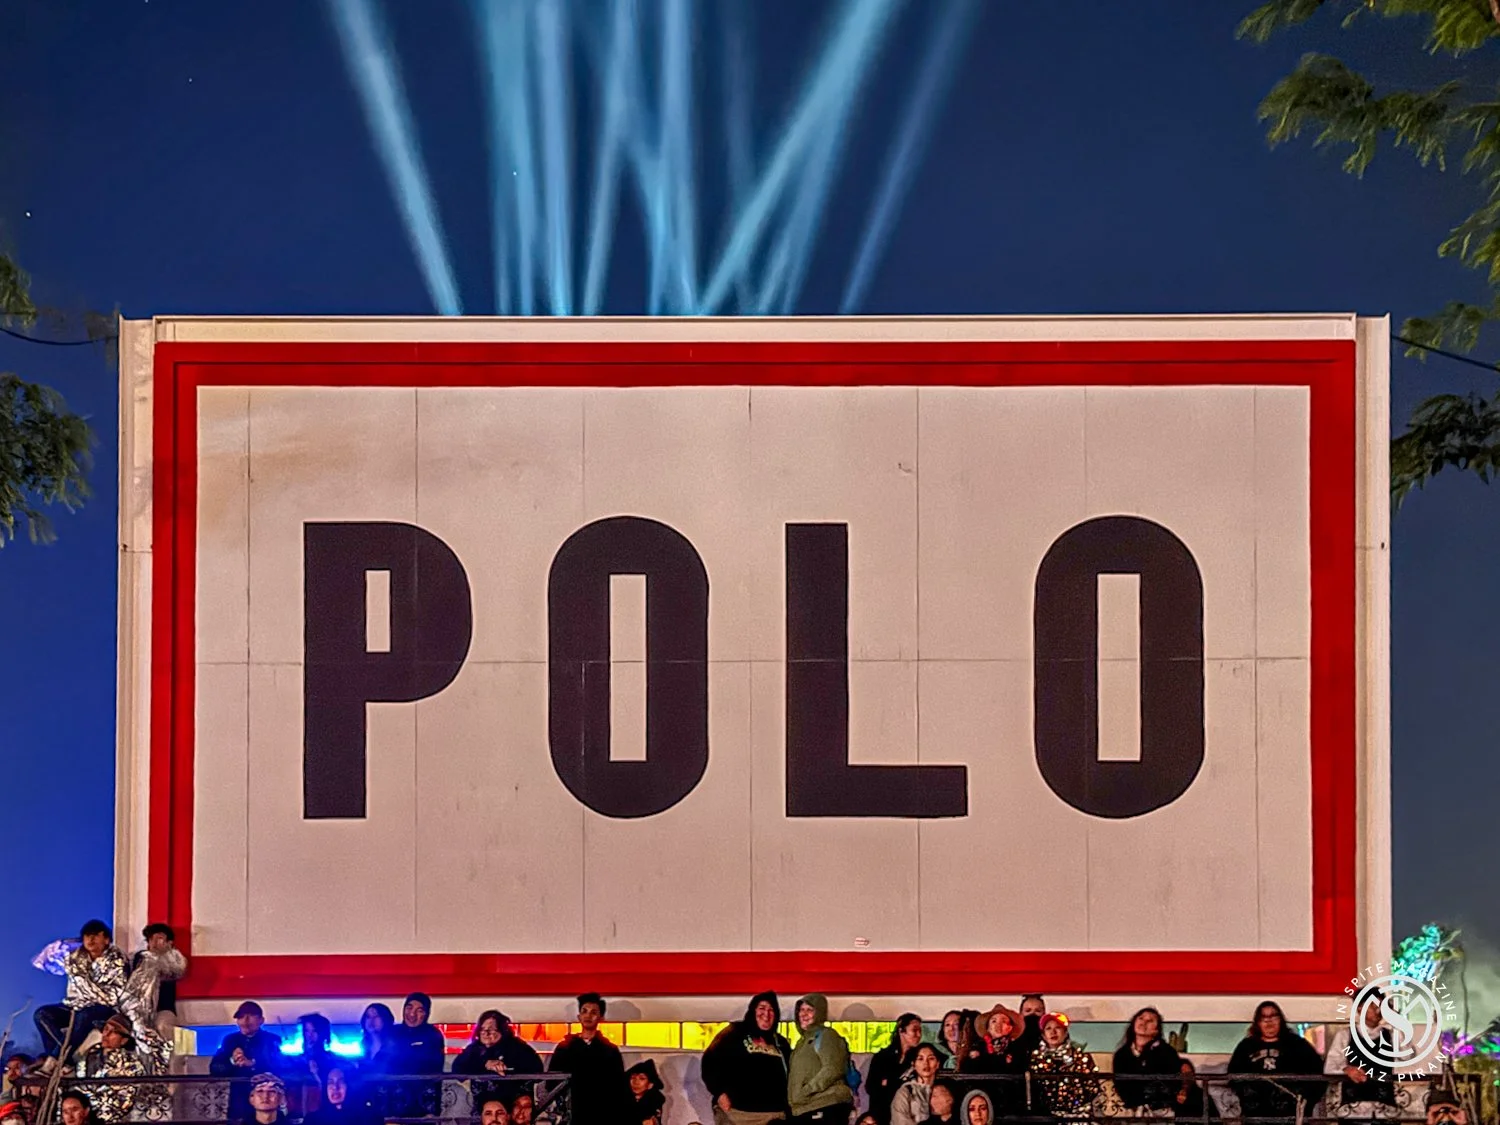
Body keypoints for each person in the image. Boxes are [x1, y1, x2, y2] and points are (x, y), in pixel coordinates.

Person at [35, 922, 129, 1069]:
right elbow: (48, 961)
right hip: (76, 1005)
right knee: (42, 1014)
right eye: (87, 936)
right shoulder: (75, 959)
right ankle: (66, 1060)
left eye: (96, 935)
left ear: (106, 940)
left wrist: (85, 988)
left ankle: (54, 1060)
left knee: (84, 1015)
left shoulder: (117, 959)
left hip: (104, 1008)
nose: (90, 939)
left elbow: (113, 995)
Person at [702, 992, 792, 1125]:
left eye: (771, 1010)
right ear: (753, 1010)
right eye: (762, 1008)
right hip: (737, 1115)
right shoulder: (734, 1032)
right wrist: (719, 1092)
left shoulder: (781, 1043)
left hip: (774, 1117)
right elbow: (710, 1062)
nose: (766, 1014)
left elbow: (791, 1075)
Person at [1227, 1001, 1324, 1122]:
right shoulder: (1246, 1046)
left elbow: (1317, 1076)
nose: (1269, 1023)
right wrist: (1249, 1095)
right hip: (1256, 1114)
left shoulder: (1298, 1044)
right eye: (1264, 1018)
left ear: (1280, 1020)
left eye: (1273, 1017)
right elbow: (1234, 1076)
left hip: (1290, 1113)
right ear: (1258, 1022)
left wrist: (1302, 1099)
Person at [547, 993, 627, 1125]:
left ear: (601, 1017)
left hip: (602, 1114)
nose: (588, 1016)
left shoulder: (610, 1051)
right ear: (579, 1016)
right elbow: (552, 1083)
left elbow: (619, 1089)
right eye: (584, 1011)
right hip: (571, 1113)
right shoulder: (564, 1048)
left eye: (593, 1012)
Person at [453, 1010, 544, 1112]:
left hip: (513, 1110)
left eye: (491, 1030)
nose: (486, 1034)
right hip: (483, 1111)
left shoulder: (518, 1047)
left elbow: (537, 1070)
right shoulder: (474, 1049)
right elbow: (457, 1069)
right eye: (482, 1029)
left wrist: (507, 1067)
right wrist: (484, 1064)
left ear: (502, 1030)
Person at [1324, 992, 1397, 1119]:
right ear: (1360, 1008)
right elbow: (1330, 1067)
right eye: (1373, 1005)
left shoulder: (1392, 1035)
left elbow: (1408, 1059)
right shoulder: (1345, 1035)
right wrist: (1346, 1070)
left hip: (1385, 1108)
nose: (1378, 1010)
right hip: (1353, 1108)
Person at [210, 1002, 284, 1124]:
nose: (245, 1021)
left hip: (266, 1102)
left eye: (250, 1016)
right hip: (239, 1102)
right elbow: (214, 1068)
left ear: (261, 1020)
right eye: (241, 1017)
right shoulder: (230, 1040)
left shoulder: (271, 1040)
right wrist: (232, 1061)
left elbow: (280, 1066)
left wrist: (253, 1064)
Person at [786, 995, 852, 1125]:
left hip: (824, 1106)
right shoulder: (802, 1042)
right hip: (806, 1108)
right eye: (801, 1010)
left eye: (810, 1010)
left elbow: (833, 1069)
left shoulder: (827, 1035)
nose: (804, 1014)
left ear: (819, 1013)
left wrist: (805, 1092)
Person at [1112, 1007, 1183, 1116]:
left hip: (1160, 1111)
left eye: (1150, 1021)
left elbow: (1171, 1081)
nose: (1143, 1023)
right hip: (1132, 1110)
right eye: (1141, 1018)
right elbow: (1120, 1083)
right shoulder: (1122, 1054)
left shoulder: (1167, 1052)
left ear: (1156, 1030)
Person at [1028, 1014, 1099, 1120]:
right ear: (1043, 1035)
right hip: (1047, 1117)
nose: (1053, 1032)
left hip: (1079, 1115)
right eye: (1048, 1028)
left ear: (1065, 1032)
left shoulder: (1080, 1057)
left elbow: (1092, 1087)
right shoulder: (1036, 1059)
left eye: (1058, 1027)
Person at [124, 924, 187, 1044]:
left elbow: (178, 971)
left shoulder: (174, 958)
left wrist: (163, 954)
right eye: (151, 939)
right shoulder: (140, 957)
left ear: (169, 942)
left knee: (162, 1026)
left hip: (163, 1009)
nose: (154, 943)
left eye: (159, 939)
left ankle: (169, 1055)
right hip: (139, 1009)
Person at [387, 993, 446, 1119]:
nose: (412, 1014)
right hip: (396, 1099)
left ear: (426, 1013)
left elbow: (433, 1065)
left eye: (419, 1010)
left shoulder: (433, 1035)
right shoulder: (393, 1033)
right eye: (409, 1008)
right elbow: (386, 1062)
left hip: (425, 1100)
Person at [865, 1015, 921, 1125]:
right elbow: (871, 1086)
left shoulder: (918, 1058)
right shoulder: (883, 1056)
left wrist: (888, 1083)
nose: (918, 1035)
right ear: (901, 1031)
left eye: (920, 1031)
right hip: (882, 1113)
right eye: (914, 1030)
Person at [889, 1044, 942, 1125]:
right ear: (913, 1064)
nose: (926, 1063)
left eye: (931, 1058)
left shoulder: (944, 1091)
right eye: (920, 1059)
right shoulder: (905, 1092)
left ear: (938, 1063)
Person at [625, 1060, 665, 1125]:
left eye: (642, 1078)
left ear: (650, 1085)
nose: (636, 1082)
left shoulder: (654, 1101)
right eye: (633, 1077)